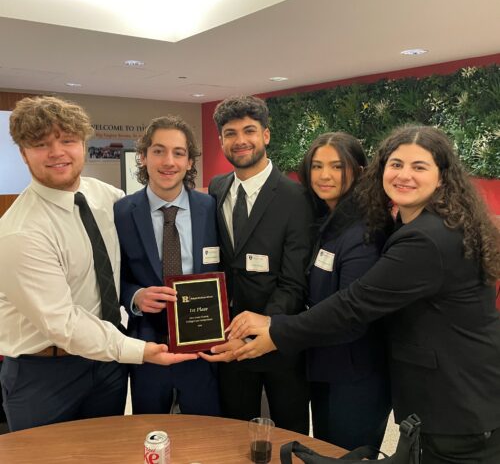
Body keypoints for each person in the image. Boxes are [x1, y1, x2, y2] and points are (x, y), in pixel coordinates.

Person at [229, 125, 500, 463]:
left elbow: (354, 305)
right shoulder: (415, 223)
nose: (404, 175)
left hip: (458, 403)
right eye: (396, 164)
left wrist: (276, 331)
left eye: (419, 166)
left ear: (442, 177)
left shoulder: (425, 238)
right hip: (439, 396)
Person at [0, 96, 196, 432]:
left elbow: (132, 265)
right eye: (41, 144)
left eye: (67, 140)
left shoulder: (109, 198)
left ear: (83, 145)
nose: (57, 153)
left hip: (106, 366)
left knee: (108, 450)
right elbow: (62, 323)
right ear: (23, 153)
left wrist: (138, 295)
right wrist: (139, 350)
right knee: (47, 456)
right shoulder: (20, 232)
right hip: (44, 375)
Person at [199, 95, 313, 434]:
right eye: (230, 133)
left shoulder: (296, 198)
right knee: (234, 431)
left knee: (290, 433)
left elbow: (294, 282)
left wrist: (254, 334)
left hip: (278, 339)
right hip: (228, 341)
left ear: (265, 135)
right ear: (221, 141)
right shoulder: (217, 188)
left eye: (249, 130)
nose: (240, 140)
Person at [114, 116, 221, 416]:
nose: (168, 161)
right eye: (158, 151)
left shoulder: (210, 208)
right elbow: (113, 276)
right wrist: (135, 296)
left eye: (178, 153)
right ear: (143, 156)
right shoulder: (122, 212)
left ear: (189, 162)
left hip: (202, 346)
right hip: (148, 346)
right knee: (151, 430)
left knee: (206, 430)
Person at [297, 132, 391, 451]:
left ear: (360, 171)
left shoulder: (365, 231)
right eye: (317, 166)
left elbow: (350, 316)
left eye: (337, 166)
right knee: (326, 448)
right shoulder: (327, 219)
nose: (325, 175)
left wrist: (281, 330)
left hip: (356, 374)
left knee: (347, 453)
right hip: (326, 363)